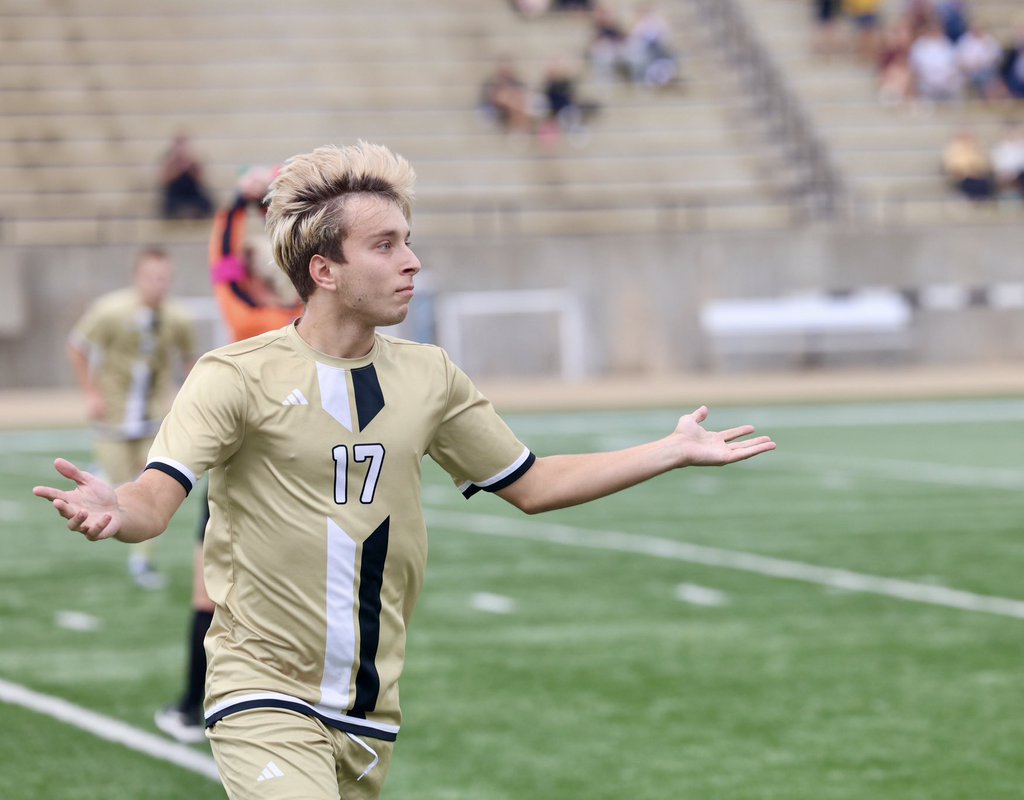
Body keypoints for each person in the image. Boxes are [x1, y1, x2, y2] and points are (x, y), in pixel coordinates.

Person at [33, 141, 776, 799]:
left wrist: (669, 449)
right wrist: (116, 508)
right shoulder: (233, 375)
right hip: (259, 692)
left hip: (369, 709)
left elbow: (535, 484)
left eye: (408, 240)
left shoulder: (431, 376)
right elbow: (155, 502)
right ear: (323, 269)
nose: (412, 260)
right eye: (385, 244)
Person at [154, 167, 304, 745]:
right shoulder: (310, 321)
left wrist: (239, 199)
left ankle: (196, 706)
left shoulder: (251, 314)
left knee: (208, 594)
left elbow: (221, 261)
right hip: (299, 473)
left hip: (242, 474)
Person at [65, 247, 196, 589]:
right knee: (119, 485)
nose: (159, 284)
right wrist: (91, 393)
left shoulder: (177, 317)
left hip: (154, 418)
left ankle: (142, 561)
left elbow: (190, 360)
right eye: (153, 277)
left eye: (165, 277)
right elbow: (77, 345)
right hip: (114, 415)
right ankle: (105, 477)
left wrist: (188, 398)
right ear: (138, 278)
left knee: (146, 488)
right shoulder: (110, 311)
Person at [160, 133, 214, 220]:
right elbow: (165, 180)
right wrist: (179, 169)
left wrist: (190, 166)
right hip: (175, 192)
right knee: (168, 205)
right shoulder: (170, 161)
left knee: (207, 203)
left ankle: (194, 213)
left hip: (191, 191)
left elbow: (201, 179)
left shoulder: (193, 161)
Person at [990, 123, 1024, 203]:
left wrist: (1015, 172)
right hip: (1004, 175)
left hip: (1022, 174)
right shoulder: (1000, 147)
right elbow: (997, 164)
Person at [942, 130, 994, 202]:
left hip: (977, 176)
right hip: (963, 178)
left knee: (985, 183)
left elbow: (983, 164)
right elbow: (953, 166)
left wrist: (975, 170)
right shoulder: (954, 150)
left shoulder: (976, 149)